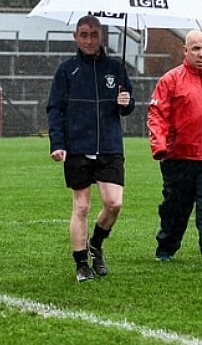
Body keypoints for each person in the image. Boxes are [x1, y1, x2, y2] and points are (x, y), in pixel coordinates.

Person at [46, 15, 135, 283]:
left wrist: (125, 101)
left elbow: (128, 106)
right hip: (77, 146)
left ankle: (96, 244)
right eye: (83, 34)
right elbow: (55, 109)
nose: (88, 39)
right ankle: (81, 262)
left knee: (114, 203)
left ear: (101, 36)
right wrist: (58, 143)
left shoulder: (115, 67)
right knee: (81, 206)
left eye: (93, 34)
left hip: (109, 144)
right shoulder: (66, 70)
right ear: (76, 37)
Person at [147, 30, 202, 266]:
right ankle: (166, 246)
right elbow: (157, 115)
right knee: (175, 208)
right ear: (185, 50)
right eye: (195, 49)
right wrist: (160, 146)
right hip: (178, 158)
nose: (201, 54)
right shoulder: (170, 81)